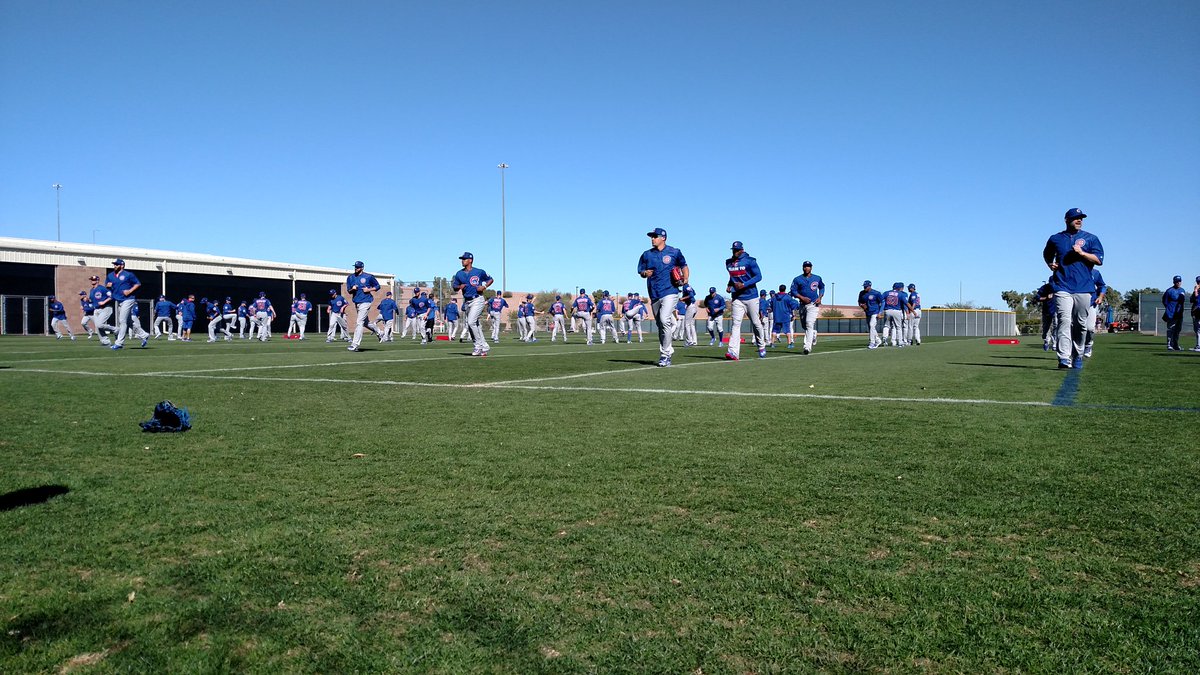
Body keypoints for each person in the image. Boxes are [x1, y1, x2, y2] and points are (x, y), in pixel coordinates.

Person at [1043, 208, 1105, 369]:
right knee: (1064, 320)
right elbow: (1047, 254)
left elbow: (1099, 260)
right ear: (1066, 219)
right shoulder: (1056, 238)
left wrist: (1082, 253)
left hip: (1084, 288)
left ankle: (1077, 355)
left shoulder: (1091, 238)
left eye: (1081, 218)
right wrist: (1050, 263)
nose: (1079, 220)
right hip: (1062, 285)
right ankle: (1064, 357)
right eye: (1075, 218)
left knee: (1080, 324)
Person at [637, 226, 688, 367]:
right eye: (651, 237)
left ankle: (665, 354)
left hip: (670, 291)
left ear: (663, 238)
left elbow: (684, 266)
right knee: (661, 325)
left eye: (655, 236)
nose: (652, 239)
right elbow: (640, 270)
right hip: (654, 293)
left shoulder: (674, 252)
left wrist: (686, 279)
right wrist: (644, 273)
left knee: (665, 319)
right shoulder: (647, 254)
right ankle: (667, 350)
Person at [723, 241, 768, 360]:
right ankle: (733, 352)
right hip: (737, 298)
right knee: (736, 324)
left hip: (751, 297)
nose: (735, 252)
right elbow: (732, 276)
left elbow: (758, 276)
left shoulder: (750, 261)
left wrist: (744, 284)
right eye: (733, 250)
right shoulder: (728, 262)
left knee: (756, 323)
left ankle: (761, 345)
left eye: (737, 250)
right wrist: (729, 285)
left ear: (742, 250)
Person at [451, 251, 494, 356]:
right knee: (475, 325)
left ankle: (478, 346)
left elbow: (490, 279)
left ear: (470, 260)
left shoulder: (479, 271)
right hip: (467, 301)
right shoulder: (459, 273)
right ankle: (484, 346)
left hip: (477, 299)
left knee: (471, 322)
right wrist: (459, 287)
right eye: (462, 259)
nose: (462, 261)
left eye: (464, 259)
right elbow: (454, 286)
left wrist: (484, 286)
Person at [105, 258, 147, 350]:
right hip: (119, 300)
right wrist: (108, 287)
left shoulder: (128, 274)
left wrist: (130, 291)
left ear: (122, 265)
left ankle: (119, 343)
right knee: (128, 322)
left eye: (117, 264)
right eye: (114, 264)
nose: (115, 266)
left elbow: (137, 284)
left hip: (128, 299)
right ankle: (144, 335)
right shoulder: (110, 275)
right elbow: (107, 285)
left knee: (122, 321)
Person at [789, 260, 824, 355]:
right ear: (802, 267)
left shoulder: (817, 278)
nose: (806, 268)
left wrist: (820, 297)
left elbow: (822, 287)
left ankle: (807, 347)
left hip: (813, 305)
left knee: (809, 324)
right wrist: (802, 297)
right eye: (805, 266)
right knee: (805, 326)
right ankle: (813, 333)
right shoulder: (797, 279)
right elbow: (793, 291)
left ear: (811, 268)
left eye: (808, 266)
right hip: (802, 305)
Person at [346, 261, 382, 352]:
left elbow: (378, 286)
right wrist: (352, 289)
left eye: (357, 267)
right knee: (365, 322)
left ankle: (355, 344)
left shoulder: (368, 276)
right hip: (357, 302)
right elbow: (349, 291)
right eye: (355, 267)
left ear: (362, 268)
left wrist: (369, 289)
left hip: (366, 301)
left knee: (359, 321)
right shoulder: (350, 277)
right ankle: (380, 332)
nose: (356, 269)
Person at [1082, 271, 1105, 358]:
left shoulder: (1095, 273)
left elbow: (1102, 286)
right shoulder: (1073, 269)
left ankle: (1088, 344)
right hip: (1076, 303)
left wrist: (1100, 296)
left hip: (1091, 304)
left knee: (1090, 328)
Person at [1163, 275, 1186, 351]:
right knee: (1171, 329)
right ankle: (1169, 344)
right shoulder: (1169, 291)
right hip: (1171, 313)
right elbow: (1165, 302)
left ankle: (1175, 345)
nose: (1178, 283)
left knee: (1177, 330)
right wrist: (1170, 309)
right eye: (1177, 281)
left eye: (1179, 281)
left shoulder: (1182, 290)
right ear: (1174, 282)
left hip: (1179, 313)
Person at [880, 283, 907, 347]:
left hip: (887, 310)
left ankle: (884, 338)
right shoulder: (901, 294)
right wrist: (910, 311)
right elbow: (905, 303)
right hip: (896, 311)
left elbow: (880, 299)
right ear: (899, 288)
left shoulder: (886, 293)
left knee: (886, 326)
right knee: (898, 327)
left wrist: (880, 310)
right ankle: (900, 342)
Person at [857, 281, 883, 349]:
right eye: (864, 286)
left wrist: (880, 312)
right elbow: (859, 302)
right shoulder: (862, 293)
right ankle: (878, 340)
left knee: (872, 325)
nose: (865, 288)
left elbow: (882, 302)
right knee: (871, 328)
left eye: (866, 286)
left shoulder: (876, 293)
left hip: (875, 311)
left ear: (870, 286)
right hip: (867, 312)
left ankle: (872, 342)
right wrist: (862, 306)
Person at [1192, 276, 1200, 352]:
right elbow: (1192, 299)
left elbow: (1196, 298)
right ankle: (1198, 345)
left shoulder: (1197, 290)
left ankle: (1198, 346)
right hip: (1197, 311)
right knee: (1197, 329)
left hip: (1198, 311)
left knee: (1198, 330)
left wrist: (1196, 290)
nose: (1198, 284)